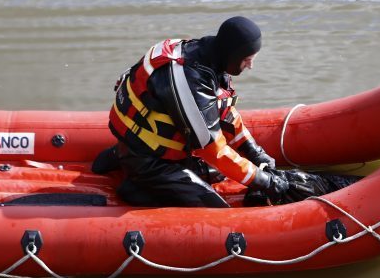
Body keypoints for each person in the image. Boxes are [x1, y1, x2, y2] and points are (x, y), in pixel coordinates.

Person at [94, 16, 294, 208]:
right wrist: (265, 182)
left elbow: (225, 112)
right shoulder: (190, 80)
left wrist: (254, 152)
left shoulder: (209, 57)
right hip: (150, 161)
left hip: (146, 143)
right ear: (233, 54)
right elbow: (214, 151)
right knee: (215, 208)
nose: (251, 65)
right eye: (247, 59)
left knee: (222, 173)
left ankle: (124, 158)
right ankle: (137, 187)